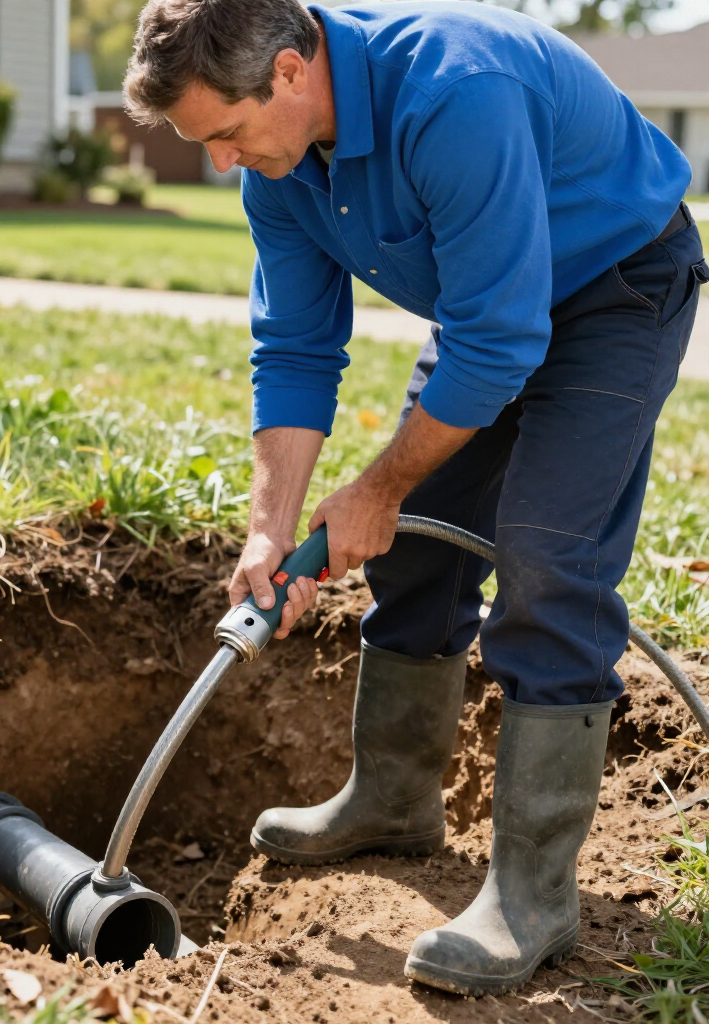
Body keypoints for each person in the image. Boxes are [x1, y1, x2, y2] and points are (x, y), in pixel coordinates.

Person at [124, 0, 707, 997]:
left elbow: (499, 344)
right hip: (493, 304)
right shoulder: (279, 164)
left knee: (546, 555)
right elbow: (297, 348)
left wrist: (379, 483)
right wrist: (272, 530)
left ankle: (533, 891)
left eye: (222, 133)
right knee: (417, 553)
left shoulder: (451, 95)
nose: (219, 162)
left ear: (291, 74)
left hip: (613, 288)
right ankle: (393, 797)